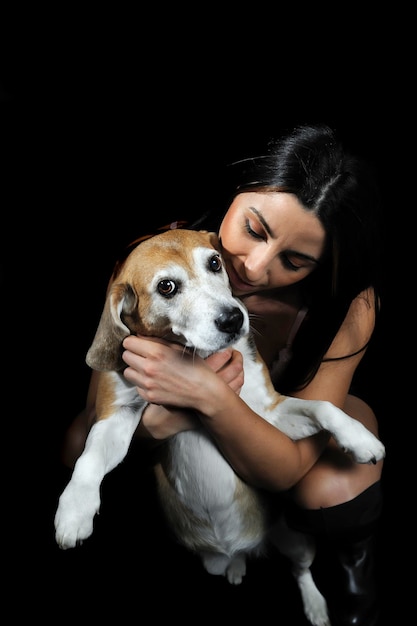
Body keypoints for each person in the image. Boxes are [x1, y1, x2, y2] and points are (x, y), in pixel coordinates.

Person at [60, 124, 384, 626]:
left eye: (295, 260)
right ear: (237, 196)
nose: (252, 270)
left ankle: (350, 554)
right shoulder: (158, 256)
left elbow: (287, 469)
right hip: (195, 462)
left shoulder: (348, 306)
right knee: (81, 439)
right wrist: (163, 421)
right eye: (254, 230)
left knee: (329, 491)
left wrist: (206, 395)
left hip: (279, 432)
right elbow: (93, 417)